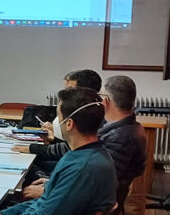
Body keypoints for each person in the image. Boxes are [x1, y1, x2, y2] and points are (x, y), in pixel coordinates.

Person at [0, 87, 117, 215]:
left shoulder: (83, 167)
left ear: (70, 124)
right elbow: (42, 204)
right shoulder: (87, 154)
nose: (56, 122)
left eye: (59, 116)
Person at [22, 75, 146, 203]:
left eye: (101, 96)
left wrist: (48, 190)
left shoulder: (121, 137)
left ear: (106, 101)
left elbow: (97, 184)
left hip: (80, 204)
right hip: (73, 190)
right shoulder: (118, 126)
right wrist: (52, 183)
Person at [15, 69, 103, 174]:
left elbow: (72, 149)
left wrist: (46, 186)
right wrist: (54, 139)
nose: (67, 95)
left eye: (70, 90)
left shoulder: (92, 117)